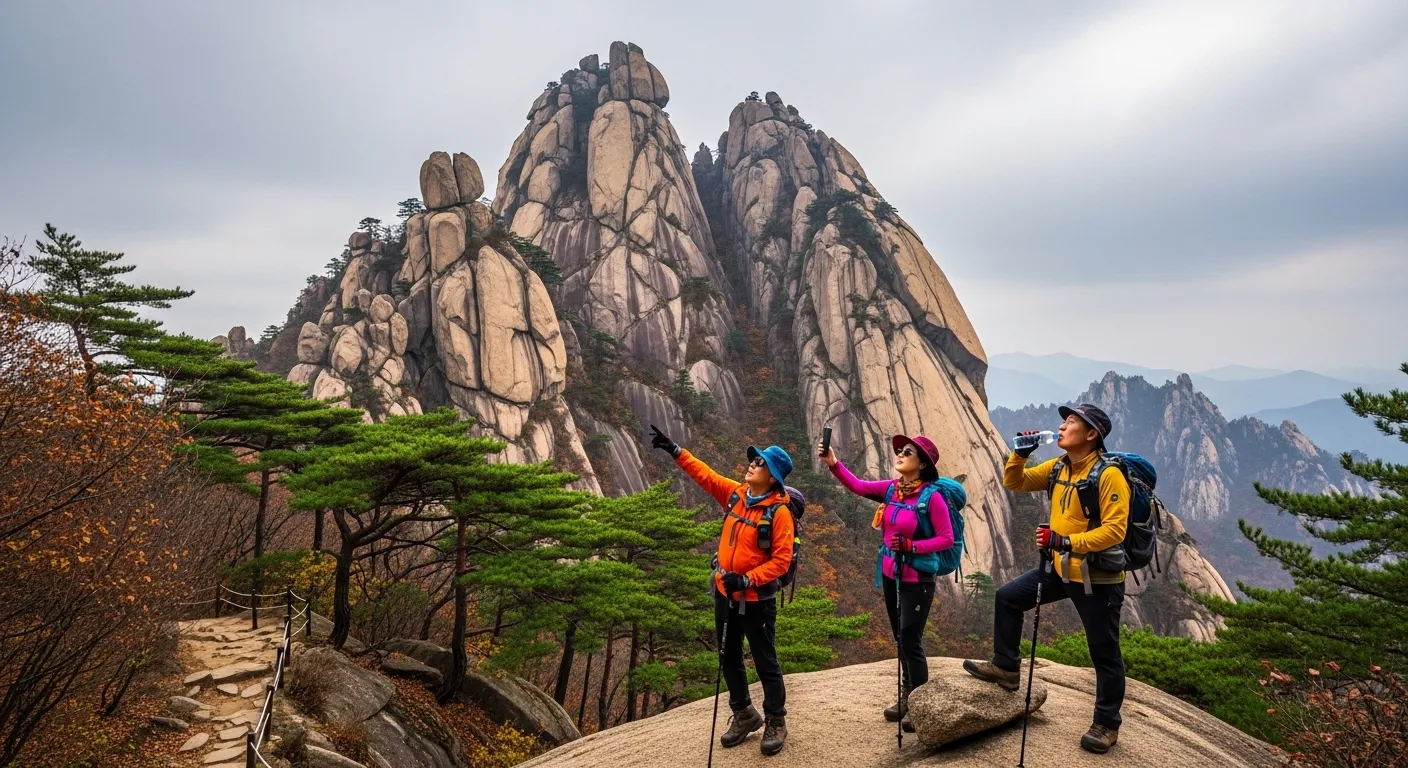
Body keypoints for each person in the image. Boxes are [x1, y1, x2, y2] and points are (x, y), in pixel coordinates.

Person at [963, 403, 1129, 754]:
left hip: (1097, 577)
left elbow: (1116, 531)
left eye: (1071, 422)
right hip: (1059, 569)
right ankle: (1006, 667)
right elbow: (1015, 482)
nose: (1062, 427)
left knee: (1104, 651)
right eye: (1064, 421)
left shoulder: (1108, 474)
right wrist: (1020, 455)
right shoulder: (1059, 467)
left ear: (1092, 434)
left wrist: (1066, 541)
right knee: (1008, 597)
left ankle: (1106, 723)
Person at [650, 424, 794, 756]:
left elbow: (781, 561)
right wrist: (676, 451)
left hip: (756, 599)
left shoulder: (779, 513)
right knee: (728, 656)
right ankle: (744, 713)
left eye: (759, 463)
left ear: (772, 477)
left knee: (765, 661)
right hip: (724, 592)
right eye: (754, 460)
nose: (752, 464)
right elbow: (706, 476)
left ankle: (776, 720)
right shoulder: (736, 494)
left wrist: (748, 579)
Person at [818, 433, 952, 731]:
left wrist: (912, 546)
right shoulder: (892, 489)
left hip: (918, 578)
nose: (900, 454)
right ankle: (908, 693)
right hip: (892, 575)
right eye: (900, 450)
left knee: (910, 640)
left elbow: (946, 538)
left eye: (908, 452)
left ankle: (920, 706)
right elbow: (858, 486)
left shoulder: (932, 497)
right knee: (899, 637)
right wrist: (833, 463)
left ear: (922, 464)